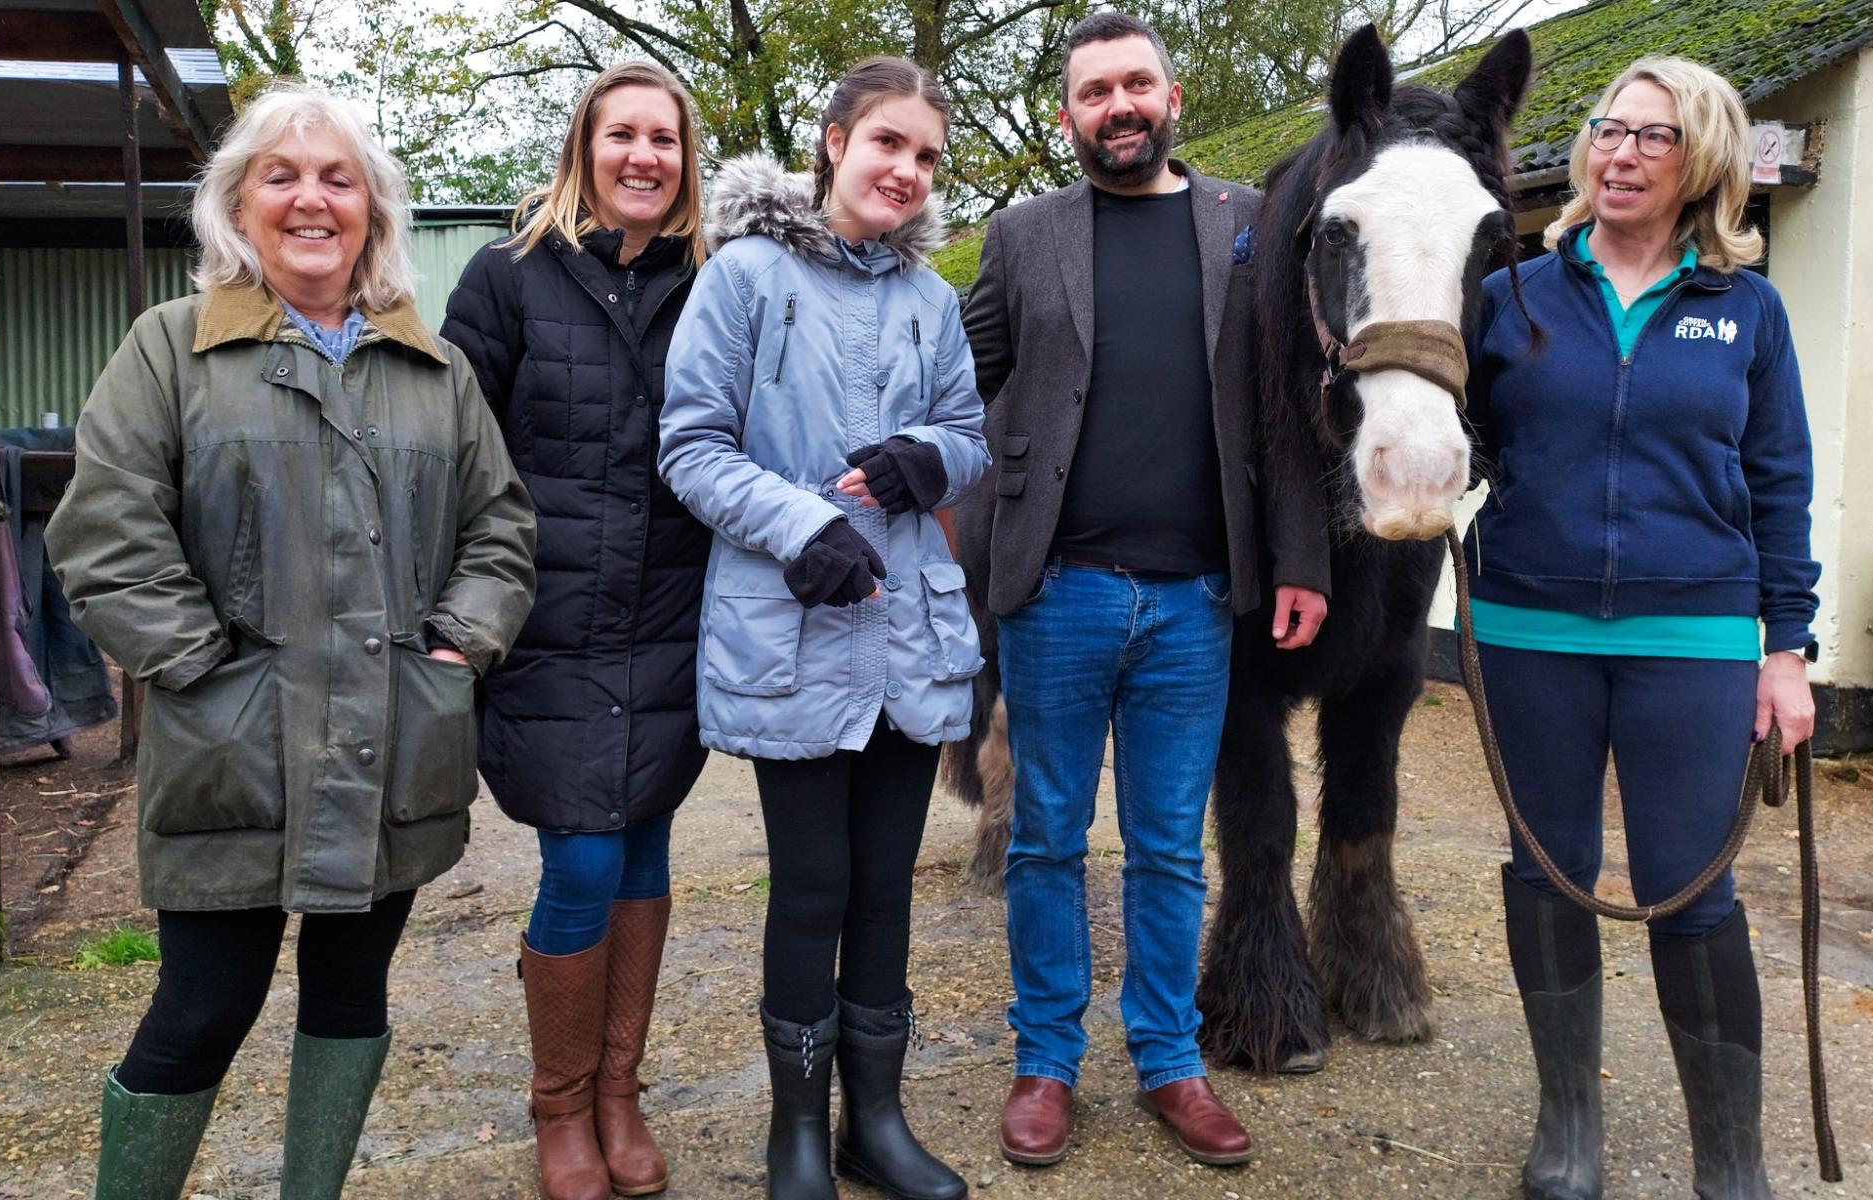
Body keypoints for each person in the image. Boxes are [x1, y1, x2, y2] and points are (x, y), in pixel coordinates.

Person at [46, 83, 536, 1200]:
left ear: (371, 211)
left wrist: (458, 645)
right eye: (282, 175)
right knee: (204, 1007)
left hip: (393, 748)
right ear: (237, 203)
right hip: (236, 754)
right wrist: (202, 674)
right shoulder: (169, 350)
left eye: (337, 178)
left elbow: (499, 528)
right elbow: (106, 531)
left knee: (351, 997)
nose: (311, 199)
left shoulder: (434, 371)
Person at [961, 9, 1331, 1172]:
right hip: (1056, 591)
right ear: (1066, 116)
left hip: (1193, 603)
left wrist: (1302, 560)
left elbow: (1284, 407)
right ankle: (1045, 1063)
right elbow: (948, 374)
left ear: (1169, 98)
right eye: (1090, 92)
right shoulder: (1021, 236)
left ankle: (1168, 1060)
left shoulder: (1245, 224)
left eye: (1134, 84)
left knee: (1170, 849)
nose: (1115, 106)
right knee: (1045, 842)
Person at [1465, 57, 1818, 1200]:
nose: (1616, 154)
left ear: (1699, 160)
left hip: (1695, 640)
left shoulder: (1744, 311)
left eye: (1649, 138)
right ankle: (1568, 1128)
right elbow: (1446, 432)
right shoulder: (1511, 297)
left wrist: (1784, 650)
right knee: (1547, 871)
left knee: (1692, 891)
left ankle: (1731, 1159)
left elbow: (1777, 484)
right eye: (1605, 131)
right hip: (1527, 627)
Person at [659, 56, 988, 1200]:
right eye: (887, 142)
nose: (904, 170)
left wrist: (929, 458)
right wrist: (799, 524)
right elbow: (690, 445)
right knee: (810, 888)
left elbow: (969, 432)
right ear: (835, 140)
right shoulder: (743, 276)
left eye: (925, 156)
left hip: (906, 636)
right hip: (796, 636)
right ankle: (795, 1132)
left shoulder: (932, 299)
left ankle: (876, 1123)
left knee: (885, 887)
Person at [440, 61, 707, 1200]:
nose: (643, 157)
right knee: (584, 859)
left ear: (686, 160)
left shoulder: (713, 281)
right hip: (546, 624)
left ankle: (618, 1091)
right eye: (621, 136)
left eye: (664, 139)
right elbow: (451, 452)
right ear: (582, 149)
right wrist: (455, 618)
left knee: (643, 847)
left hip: (668, 620)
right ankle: (559, 1104)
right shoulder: (502, 280)